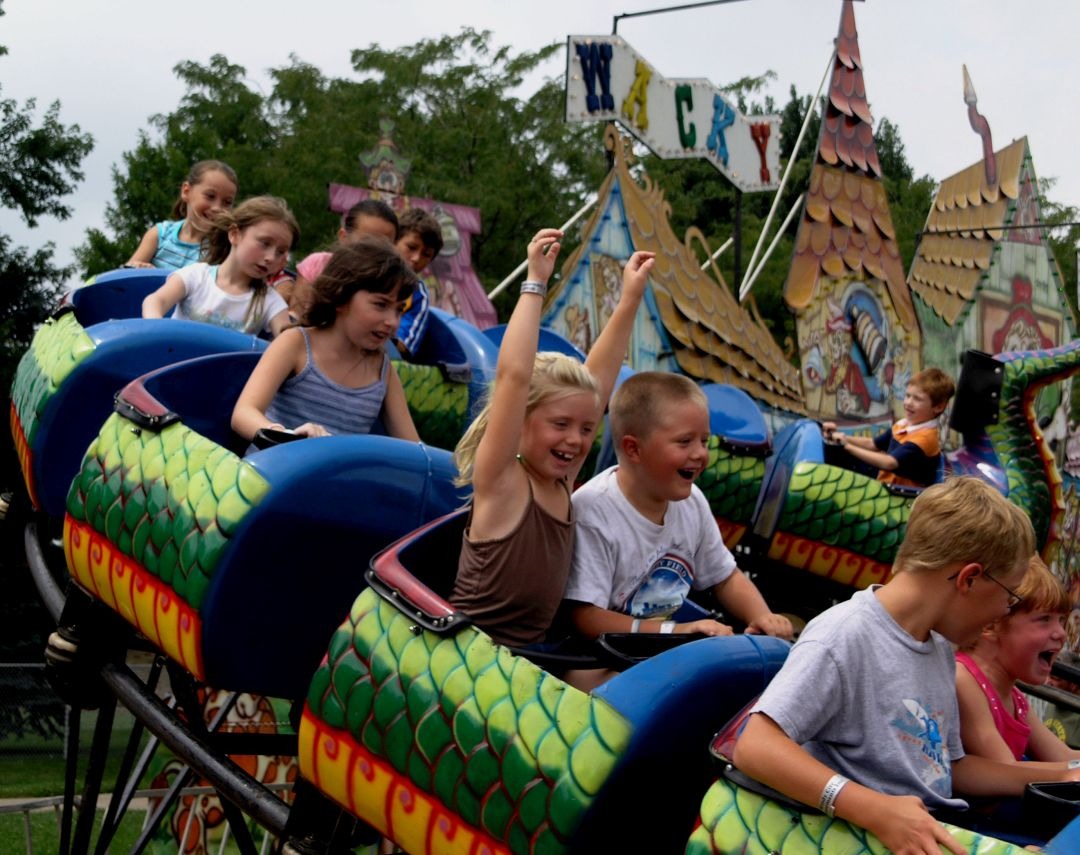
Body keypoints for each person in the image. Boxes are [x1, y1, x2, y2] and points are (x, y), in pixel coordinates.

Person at [732, 476, 1080, 855]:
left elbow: (949, 769)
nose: (1003, 611)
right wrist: (875, 810)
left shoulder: (937, 645)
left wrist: (1064, 775)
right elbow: (754, 745)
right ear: (970, 578)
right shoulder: (845, 635)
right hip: (866, 834)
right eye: (1009, 597)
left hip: (938, 824)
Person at [450, 229, 654, 648]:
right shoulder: (503, 480)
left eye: (584, 429)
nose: (576, 440)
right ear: (522, 419)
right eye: (560, 425)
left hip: (534, 656)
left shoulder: (560, 479)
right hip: (472, 651)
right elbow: (513, 377)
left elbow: (598, 384)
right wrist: (535, 283)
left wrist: (630, 298)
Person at [564, 371, 793, 640]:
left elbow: (725, 577)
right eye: (685, 442)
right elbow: (585, 617)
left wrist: (762, 617)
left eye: (704, 441)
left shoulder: (692, 501)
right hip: (598, 655)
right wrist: (673, 631)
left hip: (661, 646)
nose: (700, 454)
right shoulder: (594, 512)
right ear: (634, 449)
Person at [231, 236, 421, 442]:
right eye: (381, 305)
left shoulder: (382, 370)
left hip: (335, 475)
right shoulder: (295, 343)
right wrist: (288, 436)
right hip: (273, 469)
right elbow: (243, 414)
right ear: (341, 298)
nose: (392, 322)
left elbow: (414, 449)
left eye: (399, 310)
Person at [956, 554, 1080, 765]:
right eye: (1044, 620)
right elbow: (1004, 770)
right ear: (991, 625)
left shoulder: (1014, 696)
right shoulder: (965, 680)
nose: (1061, 633)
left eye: (1060, 621)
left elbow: (1064, 757)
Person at [142, 196, 295, 337]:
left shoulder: (269, 301)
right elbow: (155, 301)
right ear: (234, 234)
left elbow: (288, 341)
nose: (271, 257)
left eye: (280, 252)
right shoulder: (197, 275)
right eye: (265, 243)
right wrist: (157, 329)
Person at [823, 367, 955, 488]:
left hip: (901, 497)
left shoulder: (925, 438)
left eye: (917, 399)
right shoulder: (904, 424)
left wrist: (846, 446)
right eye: (908, 396)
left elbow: (890, 462)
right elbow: (873, 444)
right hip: (885, 484)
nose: (908, 403)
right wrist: (840, 437)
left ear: (938, 407)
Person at [287, 199, 399, 317]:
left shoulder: (390, 285)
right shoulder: (319, 264)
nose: (374, 252)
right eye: (366, 243)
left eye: (384, 247)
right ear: (344, 237)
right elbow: (295, 315)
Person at [126, 160, 238, 270]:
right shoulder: (160, 234)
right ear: (186, 191)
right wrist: (140, 269)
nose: (217, 208)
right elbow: (125, 277)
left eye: (227, 202)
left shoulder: (224, 249)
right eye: (210, 196)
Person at [393, 208, 443, 358]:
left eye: (426, 254)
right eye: (411, 247)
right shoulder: (364, 271)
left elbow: (403, 347)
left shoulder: (418, 295)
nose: (416, 258)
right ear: (394, 240)